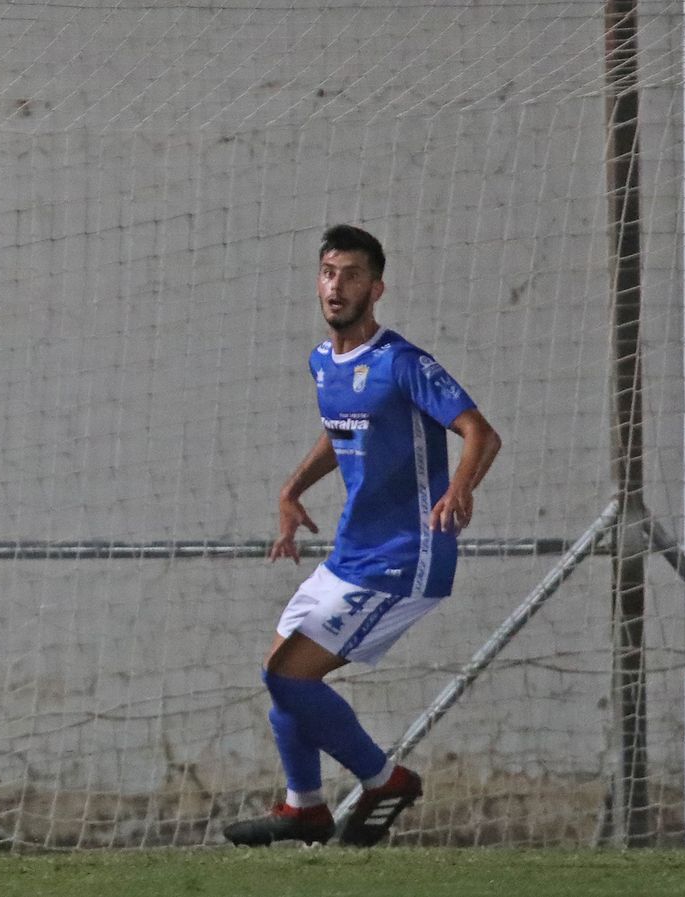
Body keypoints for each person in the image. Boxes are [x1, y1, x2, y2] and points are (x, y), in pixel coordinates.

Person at [222, 225, 502, 848]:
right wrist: (292, 489)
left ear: (376, 289)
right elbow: (343, 429)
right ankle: (305, 808)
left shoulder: (402, 363)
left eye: (351, 275)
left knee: (290, 677)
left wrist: (461, 488)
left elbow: (481, 433)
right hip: (353, 551)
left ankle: (385, 781)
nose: (336, 286)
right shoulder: (323, 362)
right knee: (280, 677)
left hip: (407, 553)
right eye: (328, 273)